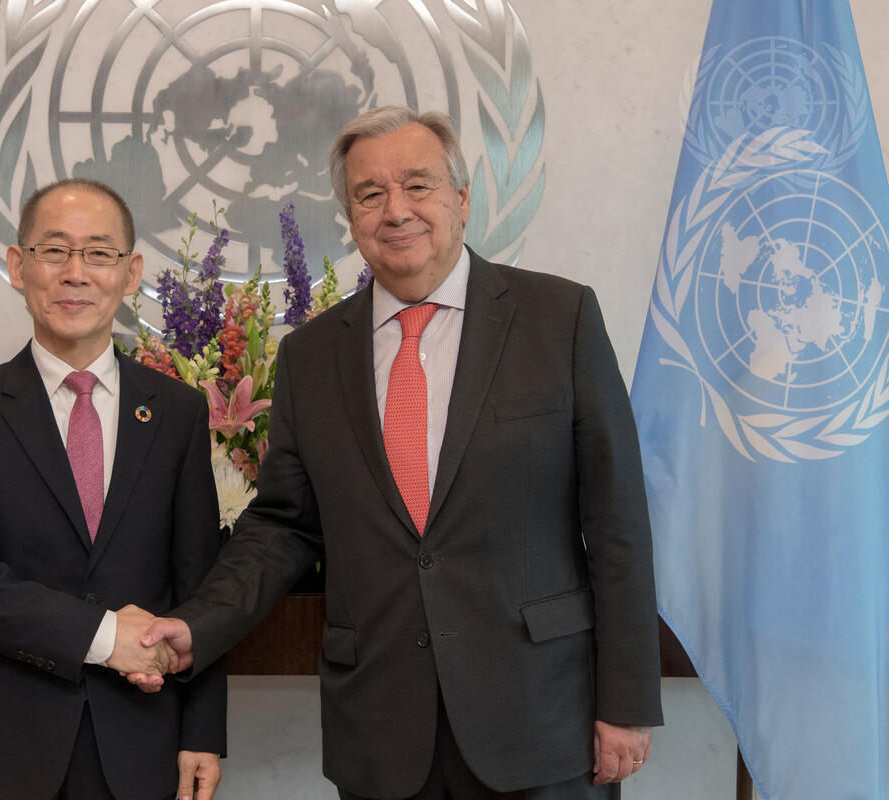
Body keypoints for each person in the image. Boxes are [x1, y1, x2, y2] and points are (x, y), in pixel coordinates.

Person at [133, 107, 663, 799]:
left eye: (418, 185)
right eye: (370, 194)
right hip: (381, 727)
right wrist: (196, 626)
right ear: (350, 219)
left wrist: (627, 700)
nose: (396, 210)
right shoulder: (311, 356)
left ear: (461, 199)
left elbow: (618, 521)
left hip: (542, 717)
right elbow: (284, 525)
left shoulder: (559, 319)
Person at [0, 178, 225, 800]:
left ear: (131, 273)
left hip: (143, 742)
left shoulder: (178, 412)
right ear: (18, 266)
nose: (75, 273)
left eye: (99, 253)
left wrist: (203, 732)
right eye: (54, 251)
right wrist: (106, 637)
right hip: (0, 748)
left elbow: (200, 587)